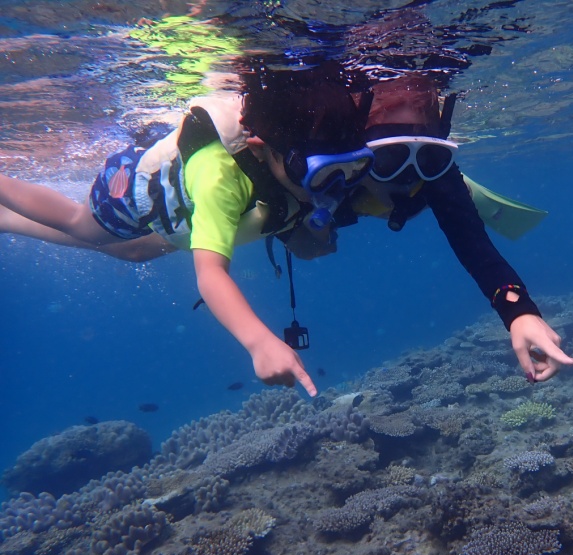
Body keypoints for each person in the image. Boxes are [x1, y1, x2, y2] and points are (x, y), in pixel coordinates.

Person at [0, 63, 376, 397]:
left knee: (135, 252)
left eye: (351, 168)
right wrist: (259, 342)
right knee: (82, 226)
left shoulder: (300, 152)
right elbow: (210, 274)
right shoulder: (219, 180)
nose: (334, 186)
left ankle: (5, 221)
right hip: (133, 191)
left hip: (184, 217)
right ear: (264, 148)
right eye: (319, 173)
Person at [297, 74, 573, 383]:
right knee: (309, 247)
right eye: (391, 156)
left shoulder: (434, 178)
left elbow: (473, 244)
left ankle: (457, 183)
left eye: (430, 155)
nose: (409, 173)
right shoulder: (329, 170)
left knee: (445, 190)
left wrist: (520, 312)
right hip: (339, 203)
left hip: (425, 195)